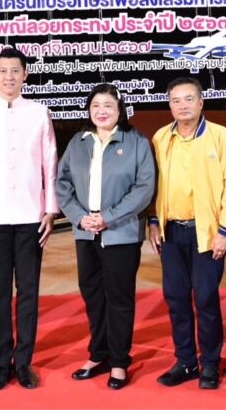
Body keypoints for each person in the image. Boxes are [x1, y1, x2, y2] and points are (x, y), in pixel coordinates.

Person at [0, 47, 59, 391]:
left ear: (25, 75)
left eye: (15, 71)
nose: (9, 77)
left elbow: (50, 162)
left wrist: (50, 209)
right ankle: (0, 363)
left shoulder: (39, 112)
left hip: (31, 216)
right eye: (3, 71)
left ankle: (24, 362)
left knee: (29, 291)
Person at [55, 83, 155, 390]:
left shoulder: (136, 142)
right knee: (93, 295)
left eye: (108, 106)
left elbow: (144, 188)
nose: (102, 111)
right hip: (86, 233)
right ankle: (98, 354)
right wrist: (79, 217)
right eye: (96, 105)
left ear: (120, 110)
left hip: (120, 233)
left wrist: (108, 217)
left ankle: (119, 361)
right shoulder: (78, 142)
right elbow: (62, 184)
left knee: (119, 298)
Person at [148, 76, 226, 391]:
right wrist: (153, 220)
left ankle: (211, 363)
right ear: (169, 105)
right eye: (176, 100)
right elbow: (155, 184)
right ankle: (186, 361)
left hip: (207, 233)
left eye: (189, 99)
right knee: (176, 299)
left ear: (201, 102)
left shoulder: (219, 136)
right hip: (171, 233)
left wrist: (225, 230)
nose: (183, 106)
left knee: (205, 299)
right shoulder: (162, 137)